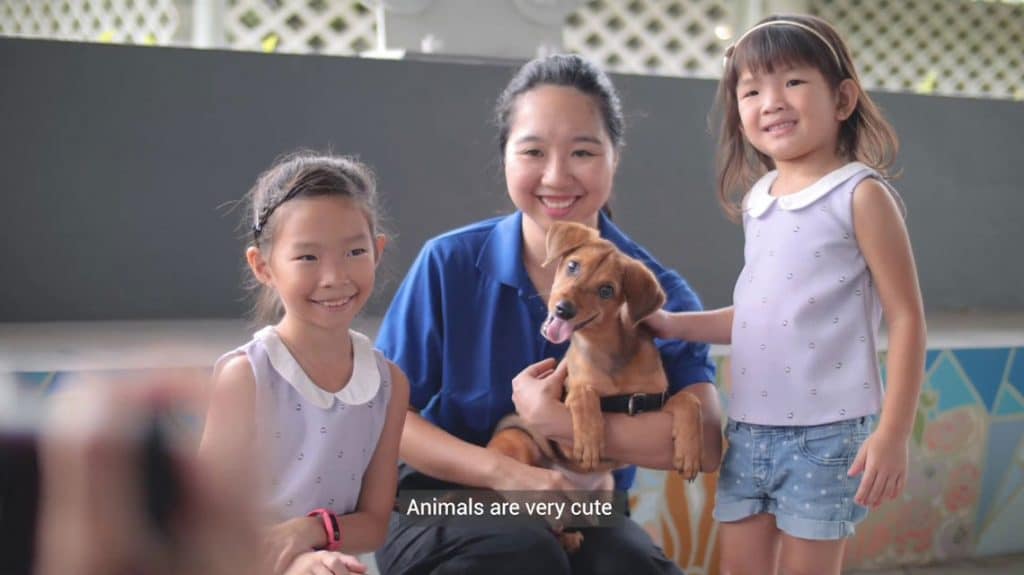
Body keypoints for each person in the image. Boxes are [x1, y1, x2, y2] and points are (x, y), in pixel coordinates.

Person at [374, 53, 723, 575]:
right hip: (434, 502)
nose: (557, 176)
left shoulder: (654, 291)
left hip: (583, 507)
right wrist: (505, 474)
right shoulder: (448, 263)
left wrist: (556, 422)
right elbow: (388, 419)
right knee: (521, 554)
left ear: (614, 157)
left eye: (583, 151)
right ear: (506, 157)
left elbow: (708, 443)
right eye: (533, 151)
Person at [645, 14, 926, 575]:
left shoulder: (861, 195)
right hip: (750, 430)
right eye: (751, 90)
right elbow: (758, 317)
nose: (770, 100)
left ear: (842, 98)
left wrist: (893, 434)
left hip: (828, 434)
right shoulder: (759, 200)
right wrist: (674, 325)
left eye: (792, 81)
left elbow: (907, 319)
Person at [199, 152, 409, 575]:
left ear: (378, 251)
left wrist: (308, 534)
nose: (334, 277)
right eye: (308, 258)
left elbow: (374, 524)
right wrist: (294, 560)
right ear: (263, 266)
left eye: (354, 251)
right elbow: (207, 521)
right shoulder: (247, 376)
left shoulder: (388, 383)